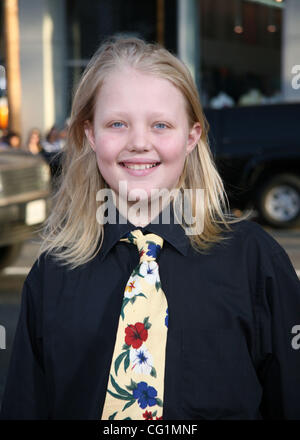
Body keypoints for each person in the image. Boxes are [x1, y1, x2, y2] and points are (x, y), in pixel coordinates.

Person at [1, 36, 300, 420]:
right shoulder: (52, 275)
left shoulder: (255, 262)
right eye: (117, 123)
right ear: (91, 135)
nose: (139, 142)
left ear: (191, 137)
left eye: (160, 124)